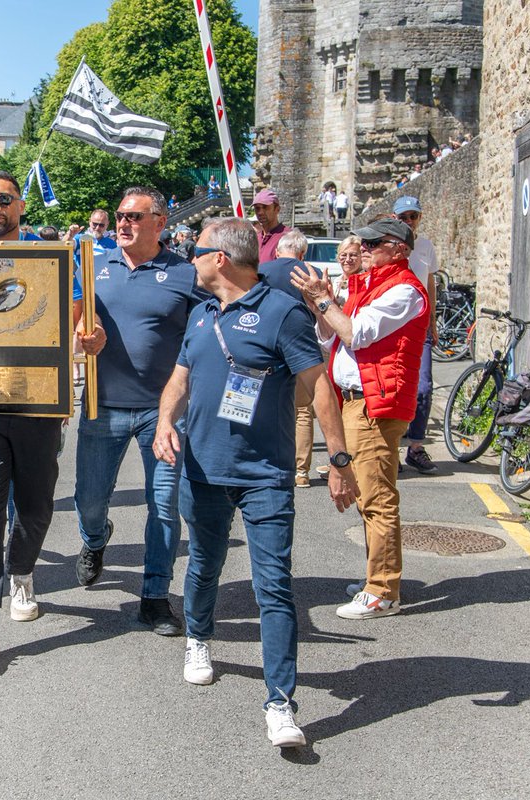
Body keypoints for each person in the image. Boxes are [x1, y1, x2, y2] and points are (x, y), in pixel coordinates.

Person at [152, 218, 357, 749]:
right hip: (202, 468)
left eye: (196, 251)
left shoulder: (283, 312)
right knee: (204, 565)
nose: (189, 259)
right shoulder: (201, 313)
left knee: (273, 586)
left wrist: (338, 460)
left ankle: (280, 702)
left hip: (265, 475)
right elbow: (180, 377)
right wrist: (165, 422)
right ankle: (199, 638)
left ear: (219, 258)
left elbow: (319, 387)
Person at [0, 172, 106, 662]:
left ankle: (21, 572)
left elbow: (78, 311)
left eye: (3, 199)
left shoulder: (50, 256)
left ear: (20, 206)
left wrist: (85, 336)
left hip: (38, 400)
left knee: (36, 506)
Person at [73, 187, 203, 636]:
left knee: (163, 505)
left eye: (134, 216)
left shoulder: (185, 274)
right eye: (120, 216)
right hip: (102, 405)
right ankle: (95, 538)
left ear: (160, 223)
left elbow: (202, 334)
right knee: (89, 500)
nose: (123, 223)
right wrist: (85, 335)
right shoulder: (93, 267)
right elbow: (75, 322)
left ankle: (154, 596)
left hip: (162, 412)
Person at [292, 217, 428, 620]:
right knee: (367, 496)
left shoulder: (405, 289)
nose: (364, 249)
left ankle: (383, 590)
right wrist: (320, 306)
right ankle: (377, 579)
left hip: (374, 403)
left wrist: (324, 302)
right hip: (357, 401)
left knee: (376, 498)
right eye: (363, 243)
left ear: (399, 249)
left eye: (373, 243)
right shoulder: (369, 286)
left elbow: (356, 334)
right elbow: (330, 336)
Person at [257, 230, 321, 487]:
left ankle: (267, 462)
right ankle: (300, 471)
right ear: (302, 253)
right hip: (303, 345)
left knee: (264, 404)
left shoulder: (262, 271)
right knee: (302, 410)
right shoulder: (313, 272)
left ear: (277, 251)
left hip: (266, 345)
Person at [393, 196, 439, 475]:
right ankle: (391, 449)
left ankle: (416, 447)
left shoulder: (426, 246)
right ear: (395, 218)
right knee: (395, 388)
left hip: (419, 325)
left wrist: (433, 320)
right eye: (404, 216)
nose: (409, 221)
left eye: (414, 216)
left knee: (423, 388)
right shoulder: (389, 245)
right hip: (393, 326)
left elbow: (430, 283)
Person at [252, 188, 290, 263]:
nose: (260, 212)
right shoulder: (255, 239)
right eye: (257, 208)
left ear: (277, 209)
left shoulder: (288, 237)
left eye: (265, 207)